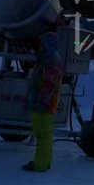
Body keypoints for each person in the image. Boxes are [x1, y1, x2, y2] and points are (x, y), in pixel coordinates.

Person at [22, 29, 64, 173]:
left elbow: (49, 85)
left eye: (42, 44)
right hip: (41, 103)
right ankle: (44, 162)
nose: (40, 46)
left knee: (42, 136)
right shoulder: (48, 59)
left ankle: (39, 165)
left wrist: (41, 102)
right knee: (43, 135)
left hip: (43, 105)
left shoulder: (51, 61)